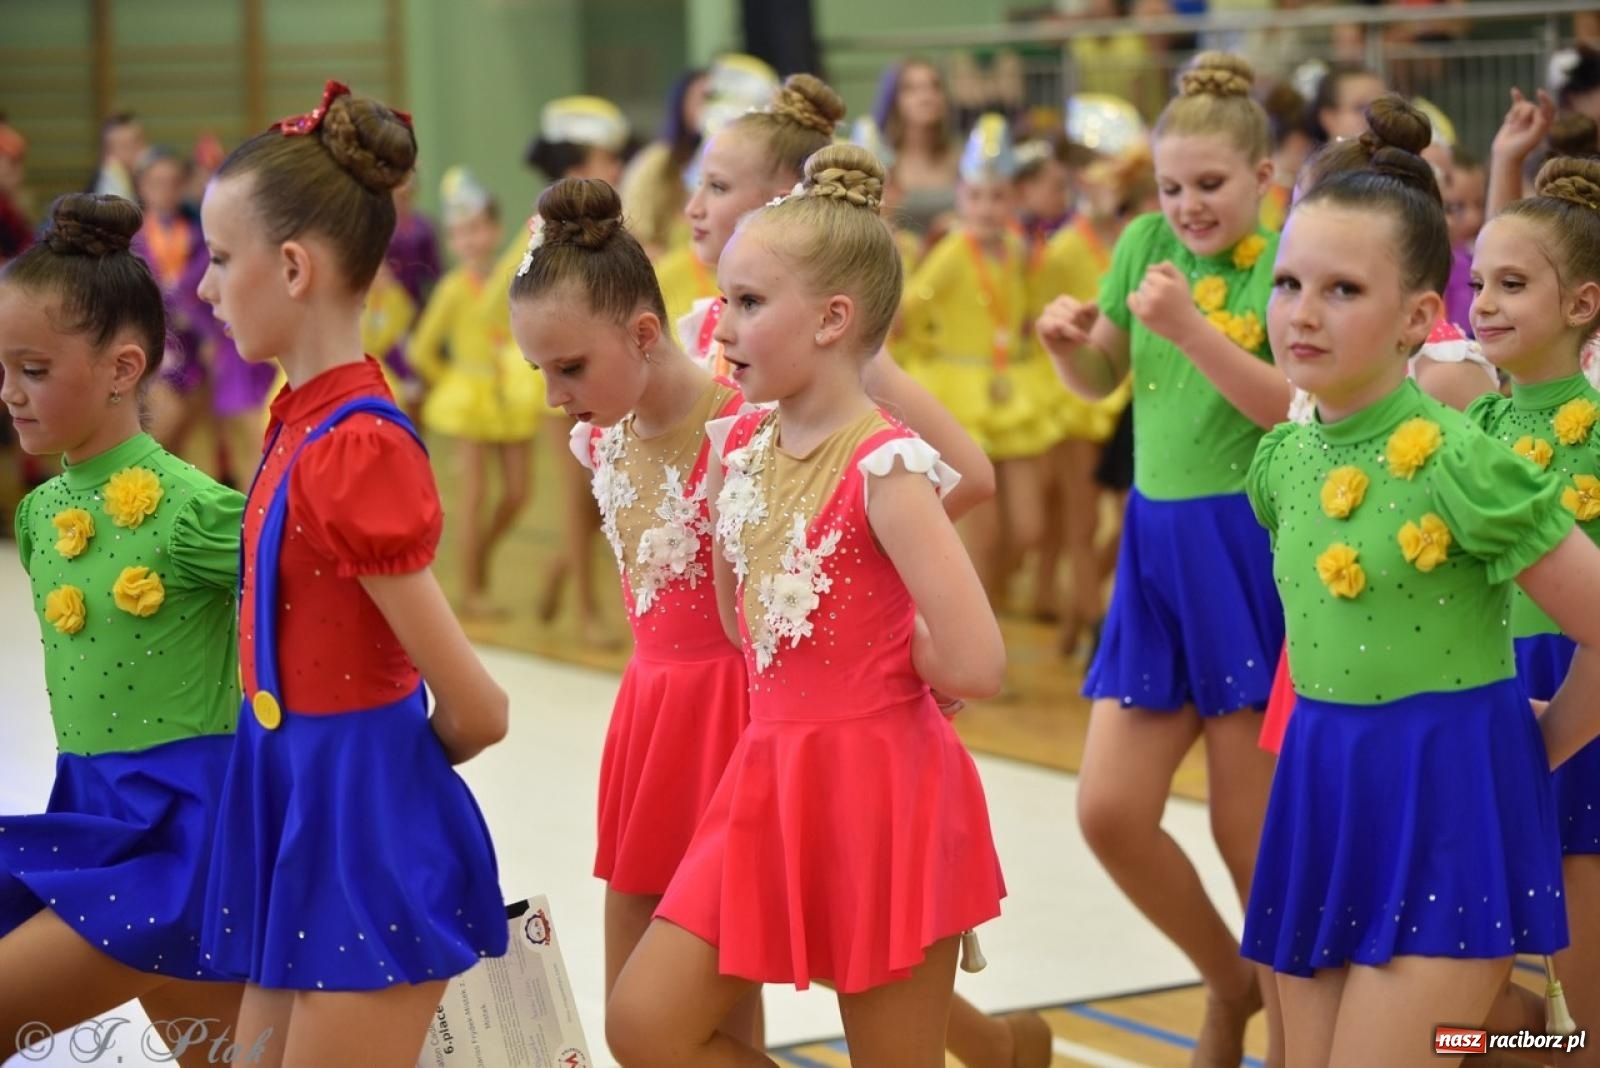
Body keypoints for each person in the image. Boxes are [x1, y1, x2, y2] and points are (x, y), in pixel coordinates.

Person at [607, 141, 1007, 1068]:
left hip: (881, 796)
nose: (723, 327)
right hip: (766, 780)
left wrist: (891, 648)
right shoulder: (740, 452)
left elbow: (978, 663)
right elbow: (738, 624)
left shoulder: (886, 467)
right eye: (726, 300)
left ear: (833, 320)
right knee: (644, 1025)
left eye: (749, 303)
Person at [1243, 124, 1600, 1067]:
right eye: (1289, 283)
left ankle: (1537, 1037)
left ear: (1416, 318)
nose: (1303, 314)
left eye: (1343, 290)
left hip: (1448, 804)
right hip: (1323, 792)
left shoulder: (1462, 461)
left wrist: (1538, 749)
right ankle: (1520, 1040)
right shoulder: (1281, 462)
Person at [195, 81, 509, 1066]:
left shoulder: (352, 448)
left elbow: (478, 708)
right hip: (296, 806)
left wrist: (376, 777)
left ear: (293, 266)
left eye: (219, 259)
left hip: (359, 830)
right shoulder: (297, 423)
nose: (203, 290)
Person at [1036, 52, 1289, 1065]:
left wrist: (1189, 329)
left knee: (1246, 832)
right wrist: (1067, 344)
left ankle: (1294, 1032)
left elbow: (1294, 411)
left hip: (1245, 552)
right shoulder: (1143, 243)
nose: (1187, 206)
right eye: (1171, 187)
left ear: (1263, 177)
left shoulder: (1284, 261)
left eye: (1210, 184)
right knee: (1109, 812)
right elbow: (1101, 375)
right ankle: (1230, 981)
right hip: (1154, 555)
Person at [0, 193, 245, 1062]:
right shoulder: (38, 516)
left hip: (185, 838)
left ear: (122, 367)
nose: (8, 394)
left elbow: (330, 621)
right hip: (91, 816)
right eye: (2, 368)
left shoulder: (194, 511)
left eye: (33, 369)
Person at [1466, 156, 1600, 1062]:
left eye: (1511, 285)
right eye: (1479, 282)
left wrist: (1555, 734)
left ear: (1583, 304)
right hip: (1489, 697)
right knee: (1462, 1008)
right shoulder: (1469, 431)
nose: (1483, 303)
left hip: (1579, 708)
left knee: (1581, 1016)